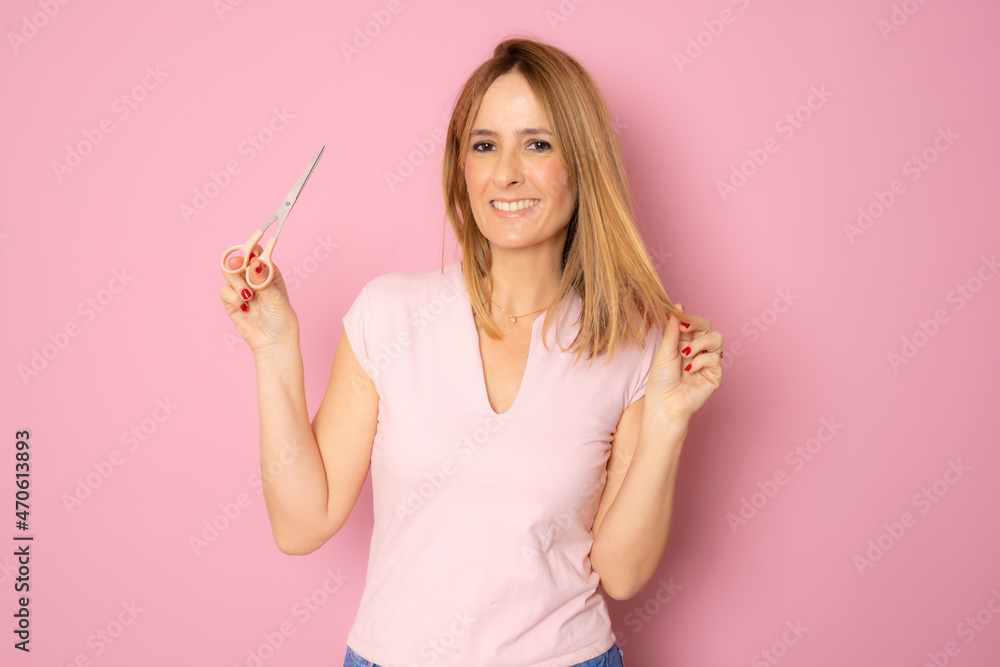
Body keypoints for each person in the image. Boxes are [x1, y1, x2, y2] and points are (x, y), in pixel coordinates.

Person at [220, 36, 723, 667]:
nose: (505, 172)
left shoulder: (631, 344)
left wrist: (669, 421)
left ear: (583, 164)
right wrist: (273, 347)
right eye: (484, 145)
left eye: (537, 143)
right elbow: (301, 524)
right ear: (463, 167)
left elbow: (621, 573)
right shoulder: (388, 314)